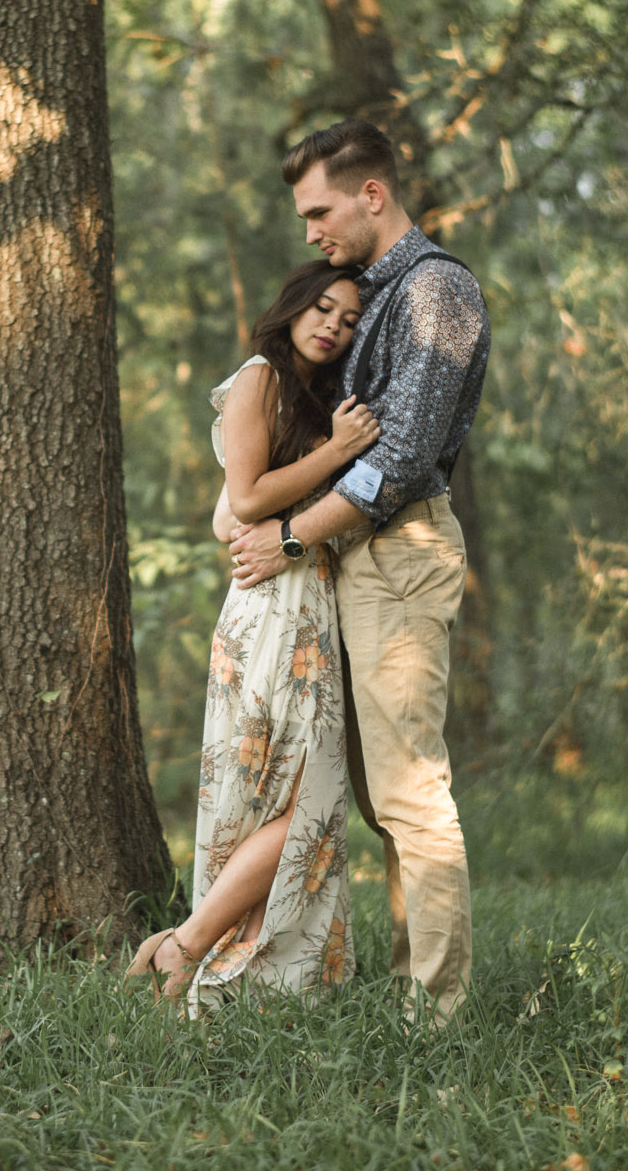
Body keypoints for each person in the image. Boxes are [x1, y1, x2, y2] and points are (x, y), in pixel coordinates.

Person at [228, 119, 490, 1022]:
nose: (310, 231)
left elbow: (405, 452)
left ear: (371, 194)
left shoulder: (436, 290)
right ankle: (399, 981)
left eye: (320, 210)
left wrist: (294, 536)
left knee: (410, 791)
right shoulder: (367, 296)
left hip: (399, 551)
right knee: (374, 795)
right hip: (348, 555)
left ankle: (437, 1011)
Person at [124, 261, 380, 1011]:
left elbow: (231, 515)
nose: (334, 324)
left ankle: (191, 947)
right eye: (323, 307)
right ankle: (188, 946)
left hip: (310, 605)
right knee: (301, 801)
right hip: (272, 611)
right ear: (294, 304)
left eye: (350, 318)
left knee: (298, 797)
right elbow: (241, 500)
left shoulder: (313, 398)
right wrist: (336, 452)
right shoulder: (258, 377)